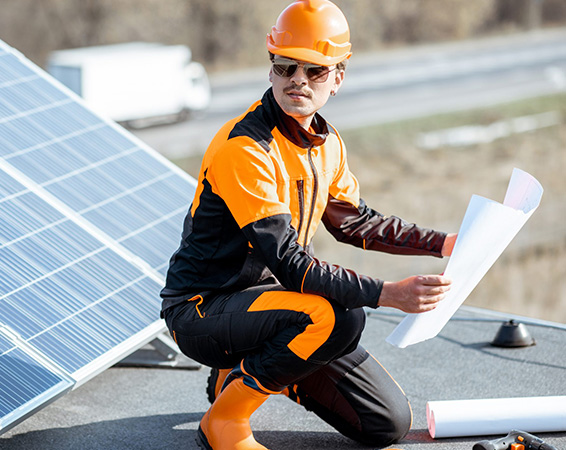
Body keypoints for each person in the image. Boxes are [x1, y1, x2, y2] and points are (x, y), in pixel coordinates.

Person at [160, 1, 457, 449]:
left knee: (386, 424)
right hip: (202, 309)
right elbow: (292, 266)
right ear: (272, 68)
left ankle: (248, 371)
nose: (297, 79)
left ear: (338, 77)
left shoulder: (326, 142)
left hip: (269, 306)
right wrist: (389, 294)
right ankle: (224, 419)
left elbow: (356, 222)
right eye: (285, 66)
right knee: (339, 316)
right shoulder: (245, 149)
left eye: (315, 70)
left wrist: (444, 243)